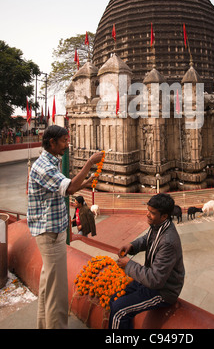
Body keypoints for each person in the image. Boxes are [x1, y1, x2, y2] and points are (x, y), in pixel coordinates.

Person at [27, 125, 104, 329]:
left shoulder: (53, 161)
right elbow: (69, 187)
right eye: (64, 141)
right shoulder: (44, 166)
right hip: (50, 234)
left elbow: (66, 188)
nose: (67, 145)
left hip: (53, 231)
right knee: (57, 291)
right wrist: (89, 162)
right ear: (52, 143)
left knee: (48, 286)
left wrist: (86, 183)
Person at [108, 193, 185, 329]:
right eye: (148, 211)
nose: (148, 215)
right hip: (149, 281)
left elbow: (155, 280)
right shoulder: (158, 226)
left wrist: (129, 265)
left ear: (164, 216)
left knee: (119, 311)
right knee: (114, 299)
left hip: (163, 291)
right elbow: (147, 239)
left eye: (152, 213)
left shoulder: (168, 241)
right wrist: (132, 246)